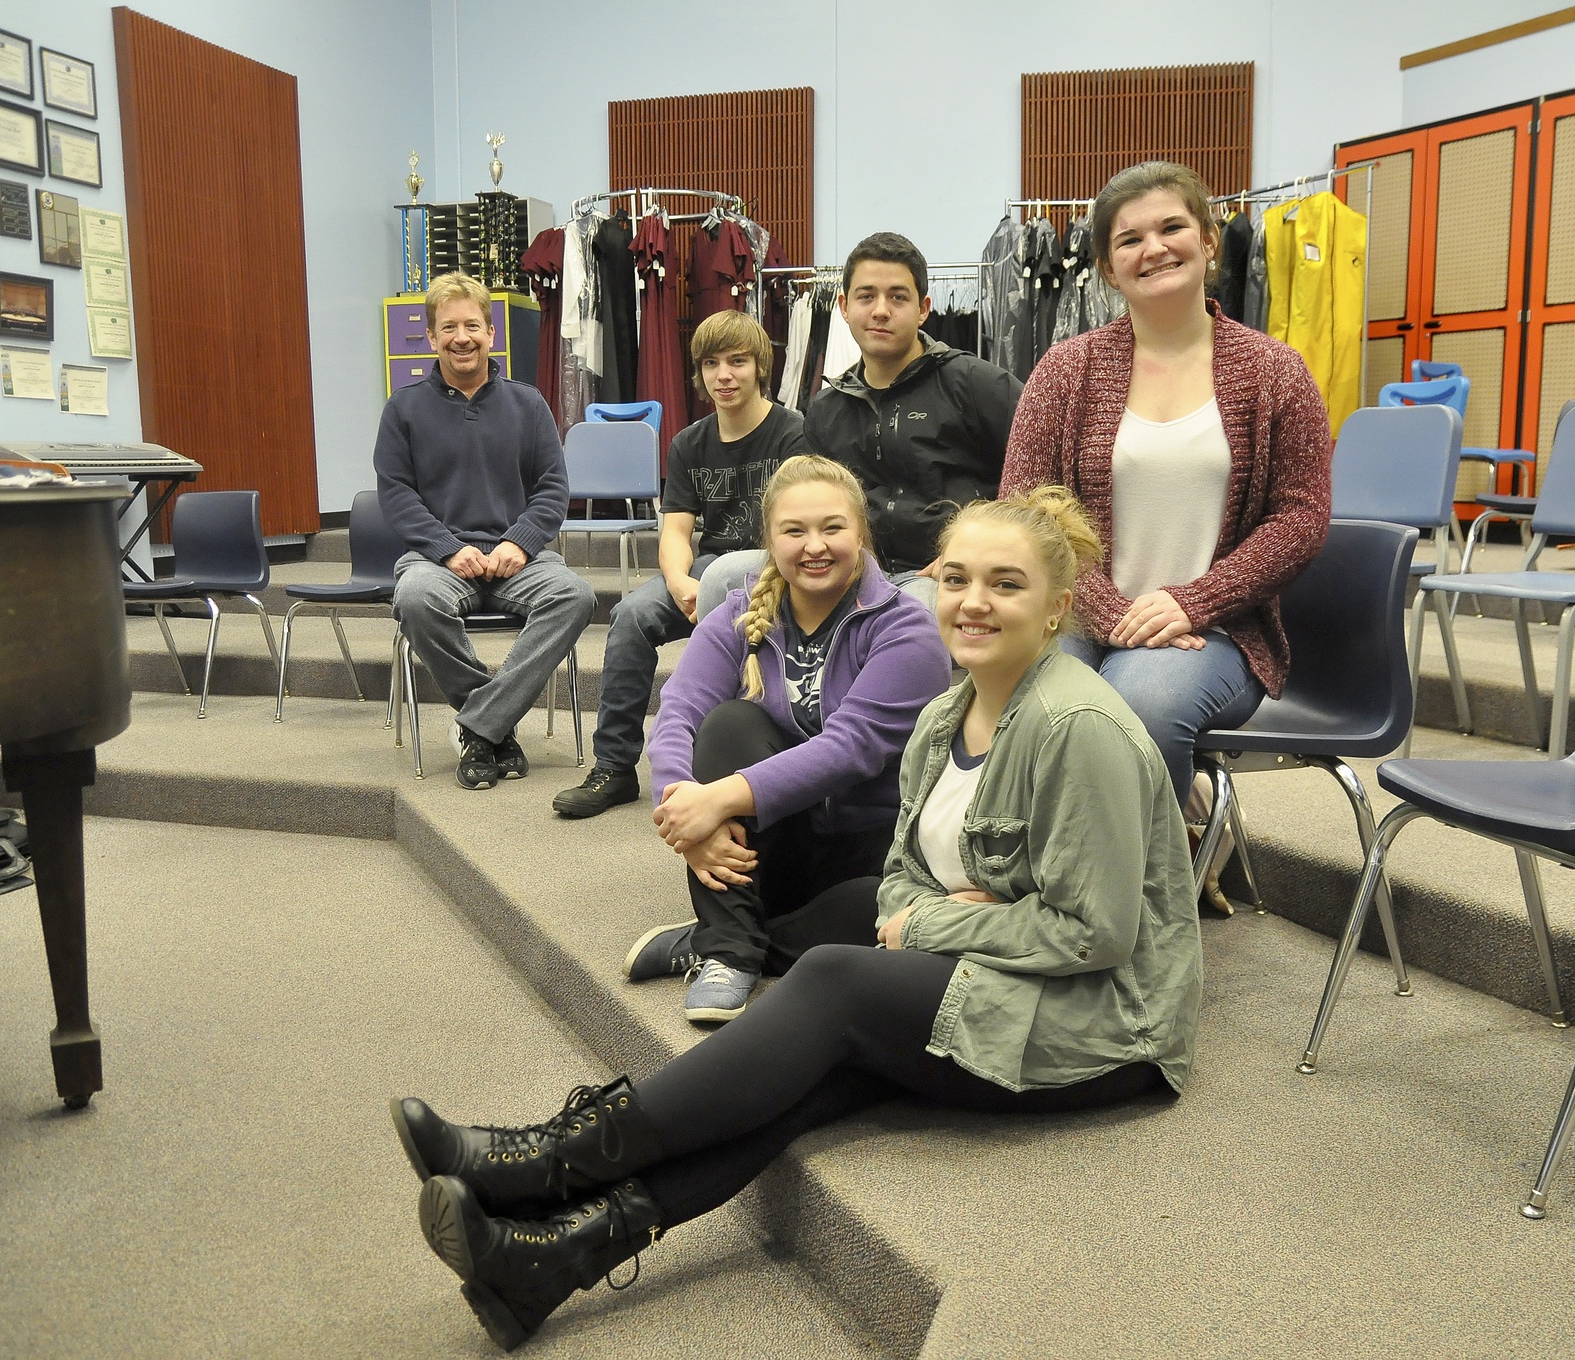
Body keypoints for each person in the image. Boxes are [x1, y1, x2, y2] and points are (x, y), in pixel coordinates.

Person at [391, 486, 1198, 1353]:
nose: (973, 602)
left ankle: (546, 1159)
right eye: (958, 578)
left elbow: (1092, 936)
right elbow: (901, 878)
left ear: (1057, 606)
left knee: (832, 980)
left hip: (1103, 1024)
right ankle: (550, 1258)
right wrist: (933, 911)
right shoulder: (946, 717)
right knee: (807, 1068)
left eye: (1006, 584)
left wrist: (929, 926)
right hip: (1002, 963)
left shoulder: (1076, 726)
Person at [999, 161, 1331, 887]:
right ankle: (1043, 884)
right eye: (1129, 239)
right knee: (1010, 686)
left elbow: (1302, 517)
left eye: (1172, 227)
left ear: (1209, 240)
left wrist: (1195, 599)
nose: (1153, 248)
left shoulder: (1276, 371)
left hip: (1214, 630)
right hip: (1076, 611)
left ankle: (1142, 910)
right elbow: (1024, 510)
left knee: (1138, 704)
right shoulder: (1065, 370)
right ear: (1106, 267)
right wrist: (1111, 613)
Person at [616, 454, 950, 1023]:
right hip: (769, 848)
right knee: (730, 724)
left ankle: (721, 936)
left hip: (873, 852)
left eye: (832, 528)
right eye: (794, 531)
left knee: (898, 920)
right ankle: (729, 950)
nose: (814, 546)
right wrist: (683, 817)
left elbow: (850, 748)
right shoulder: (739, 614)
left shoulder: (908, 630)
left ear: (861, 533)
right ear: (770, 540)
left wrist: (715, 801)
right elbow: (678, 713)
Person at [552, 312, 807, 819]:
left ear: (760, 367)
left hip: (777, 569)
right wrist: (680, 583)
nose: (723, 375)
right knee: (630, 616)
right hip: (710, 566)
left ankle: (734, 763)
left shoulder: (793, 433)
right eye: (711, 364)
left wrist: (711, 584)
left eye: (737, 362)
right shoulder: (689, 442)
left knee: (724, 588)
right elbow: (674, 532)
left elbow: (802, 527)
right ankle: (614, 766)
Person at [377, 273, 598, 791]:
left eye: (472, 326)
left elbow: (553, 488)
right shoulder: (402, 409)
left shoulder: (529, 404)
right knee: (414, 599)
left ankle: (479, 728)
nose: (462, 337)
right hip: (437, 561)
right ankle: (495, 727)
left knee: (575, 596)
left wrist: (520, 542)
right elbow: (397, 495)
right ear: (431, 337)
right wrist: (447, 549)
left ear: (491, 332)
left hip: (518, 559)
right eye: (449, 327)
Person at [804, 231, 1024, 612]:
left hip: (948, 575)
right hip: (848, 570)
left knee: (913, 609)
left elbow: (1038, 481)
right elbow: (810, 504)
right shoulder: (825, 410)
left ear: (923, 308)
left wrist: (976, 549)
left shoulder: (977, 386)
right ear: (843, 306)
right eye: (866, 296)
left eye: (897, 297)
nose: (881, 310)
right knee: (725, 576)